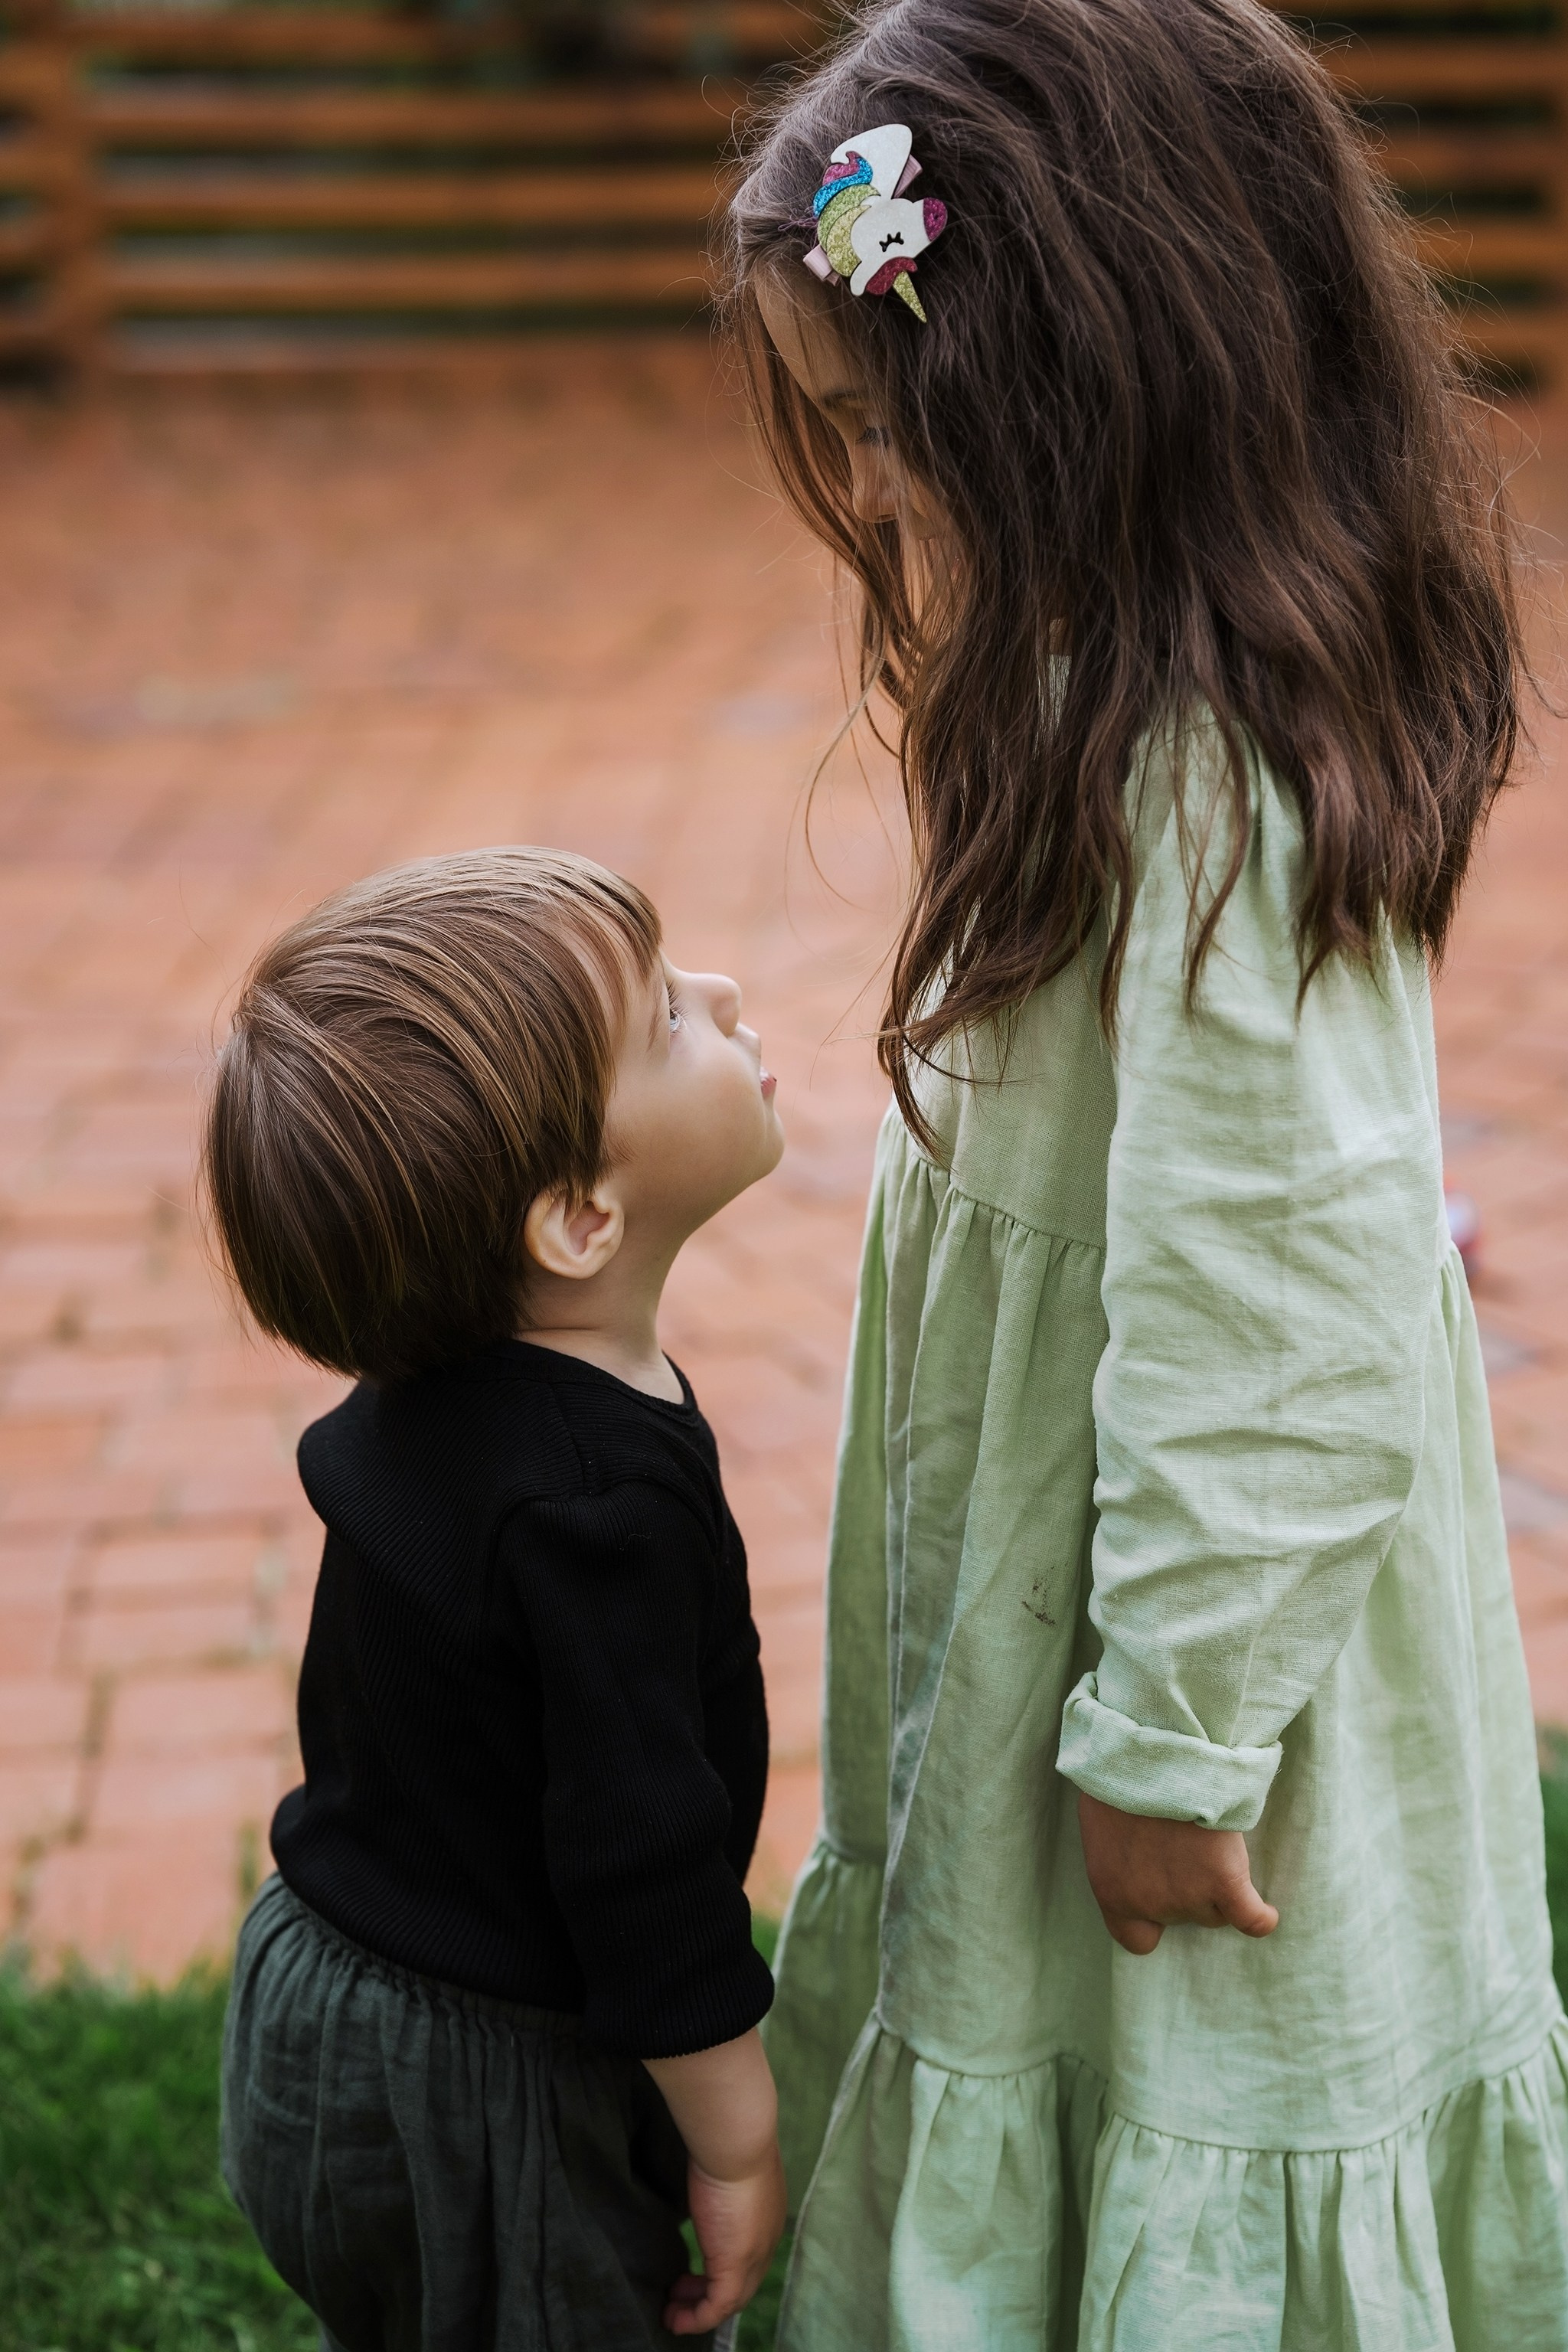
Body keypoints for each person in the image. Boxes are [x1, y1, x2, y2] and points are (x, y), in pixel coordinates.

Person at [720, 0, 1568, 2342]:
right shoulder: (1103, 690)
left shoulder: (1214, 773)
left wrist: (1178, 1732)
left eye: (886, 433)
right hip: (1066, 1559)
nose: (868, 495)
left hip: (1199, 1669)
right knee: (1044, 2005)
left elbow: (1284, 1291)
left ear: (1095, 392)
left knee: (1180, 2042)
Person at [204, 848, 788, 2351]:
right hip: (481, 2071)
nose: (722, 995)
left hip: (315, 1983)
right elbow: (642, 1864)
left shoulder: (426, 1402)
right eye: (665, 1019)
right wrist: (728, 2145)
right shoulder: (596, 1514)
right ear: (579, 1219)